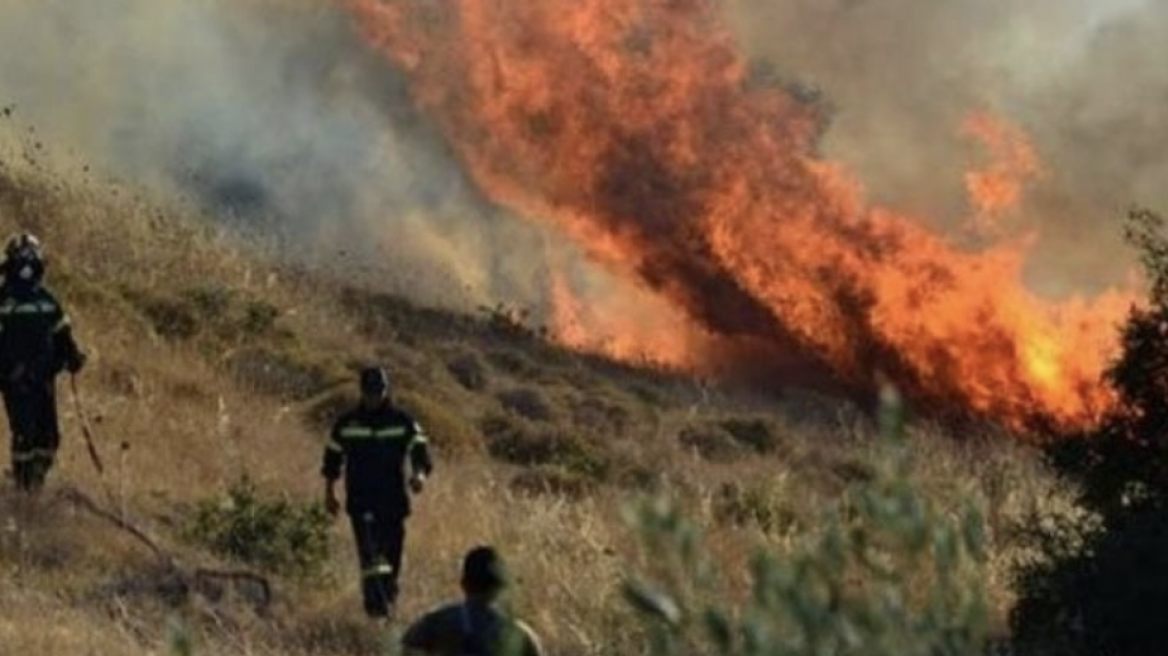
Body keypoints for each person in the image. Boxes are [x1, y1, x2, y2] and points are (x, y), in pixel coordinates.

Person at [323, 366, 433, 619]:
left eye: (379, 392)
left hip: (393, 503)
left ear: (386, 391)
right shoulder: (347, 423)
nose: (374, 398)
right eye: (370, 392)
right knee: (371, 558)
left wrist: (419, 475)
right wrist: (329, 494)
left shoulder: (402, 421)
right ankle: (375, 610)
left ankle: (388, 603)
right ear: (362, 392)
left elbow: (420, 452)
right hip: (361, 503)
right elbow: (332, 459)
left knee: (391, 558)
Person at [0, 233, 85, 492]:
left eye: (31, 259)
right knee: (25, 435)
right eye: (21, 260)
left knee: (49, 437)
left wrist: (72, 357)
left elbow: (63, 334)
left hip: (43, 379)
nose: (26, 266)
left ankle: (35, 482)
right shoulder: (2, 300)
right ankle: (23, 486)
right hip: (14, 381)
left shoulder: (48, 301)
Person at [402, 546, 544, 656]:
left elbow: (404, 649)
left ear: (464, 584)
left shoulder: (435, 623)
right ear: (500, 588)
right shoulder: (520, 635)